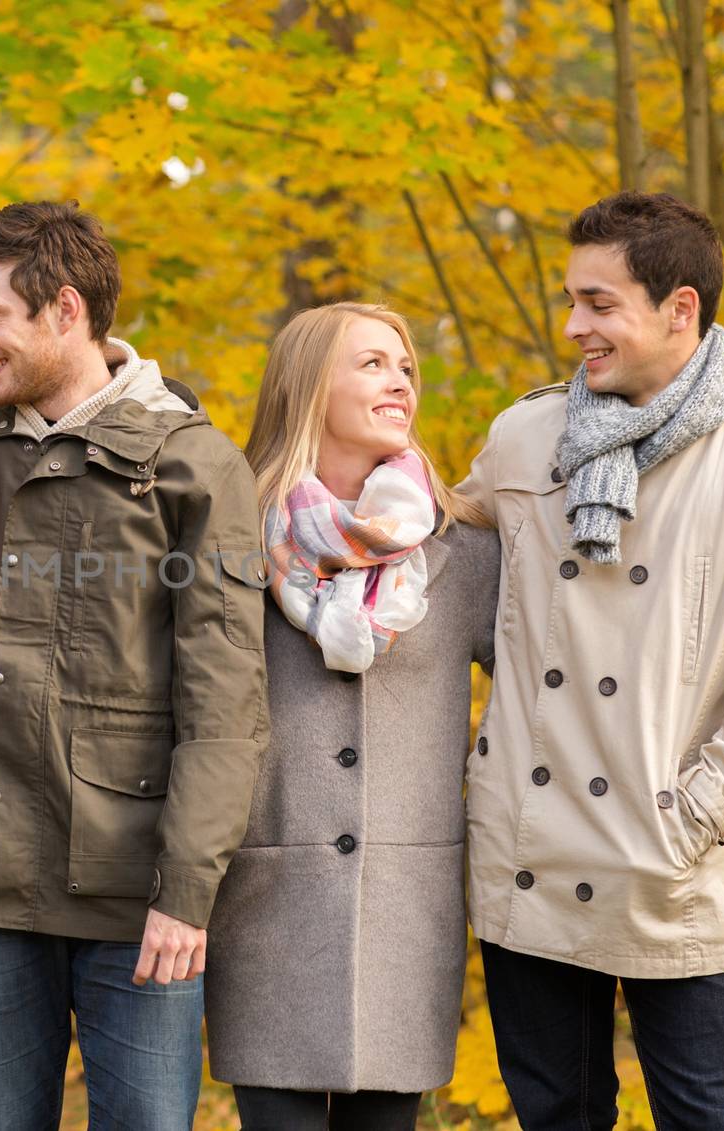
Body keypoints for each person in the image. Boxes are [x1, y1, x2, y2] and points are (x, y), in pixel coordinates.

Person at [459, 191, 724, 1130]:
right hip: (531, 855)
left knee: (713, 1119)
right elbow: (435, 561)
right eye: (570, 300)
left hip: (671, 866)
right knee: (555, 1116)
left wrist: (694, 816)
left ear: (681, 308)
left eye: (599, 304)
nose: (572, 327)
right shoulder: (527, 435)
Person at [0, 200, 269, 1131]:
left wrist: (186, 894)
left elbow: (225, 705)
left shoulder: (193, 467)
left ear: (64, 309)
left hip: (136, 891)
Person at [203, 302, 498, 1131]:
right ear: (307, 384)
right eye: (371, 363)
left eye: (404, 365)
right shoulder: (231, 543)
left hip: (407, 911)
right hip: (267, 902)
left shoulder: (465, 550)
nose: (399, 379)